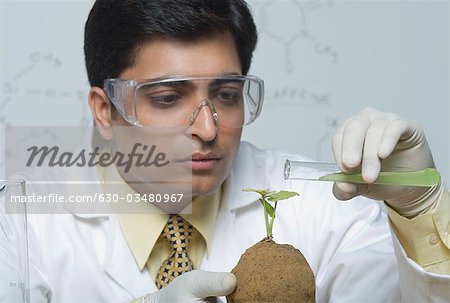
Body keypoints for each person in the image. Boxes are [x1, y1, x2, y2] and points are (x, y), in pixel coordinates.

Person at [1, 0, 449, 302]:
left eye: (227, 93)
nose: (207, 127)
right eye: (167, 98)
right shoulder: (22, 224)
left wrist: (422, 212)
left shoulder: (328, 208)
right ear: (105, 109)